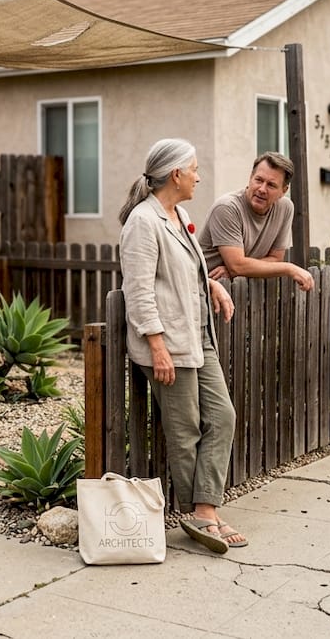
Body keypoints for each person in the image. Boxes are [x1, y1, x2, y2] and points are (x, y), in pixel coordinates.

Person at [117, 138, 246, 554]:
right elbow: (137, 290)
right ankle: (205, 514)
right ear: (175, 174)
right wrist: (156, 346)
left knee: (222, 416)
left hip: (197, 335)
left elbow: (184, 272)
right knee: (184, 429)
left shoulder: (179, 215)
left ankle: (204, 511)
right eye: (193, 168)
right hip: (168, 342)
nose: (198, 176)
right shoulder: (143, 221)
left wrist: (211, 286)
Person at [199, 151, 314, 291]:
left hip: (247, 293)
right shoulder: (227, 208)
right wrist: (289, 268)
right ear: (250, 178)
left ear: (283, 191)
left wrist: (237, 269)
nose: (262, 189)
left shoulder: (285, 208)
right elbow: (237, 266)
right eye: (258, 180)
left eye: (271, 185)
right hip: (208, 291)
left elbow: (275, 258)